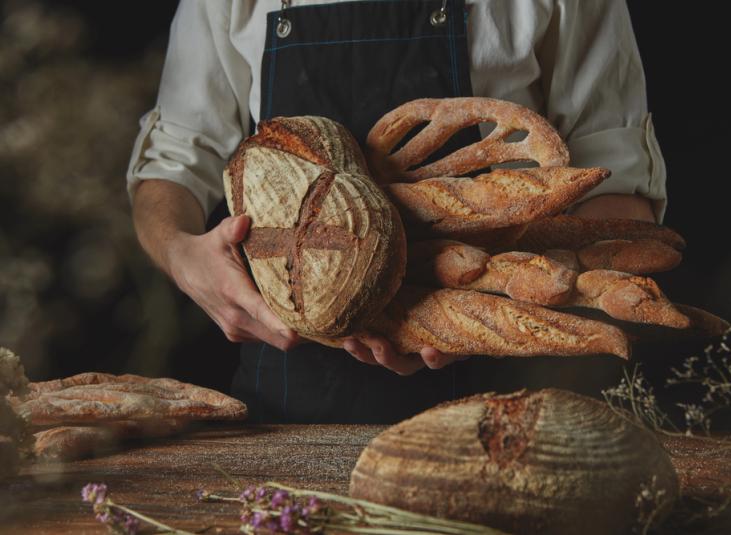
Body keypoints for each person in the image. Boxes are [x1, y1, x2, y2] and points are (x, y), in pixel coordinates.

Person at [127, 0, 666, 424]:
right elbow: (174, 161)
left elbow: (614, 178)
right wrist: (183, 255)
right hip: (290, 403)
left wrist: (525, 289)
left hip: (509, 395)